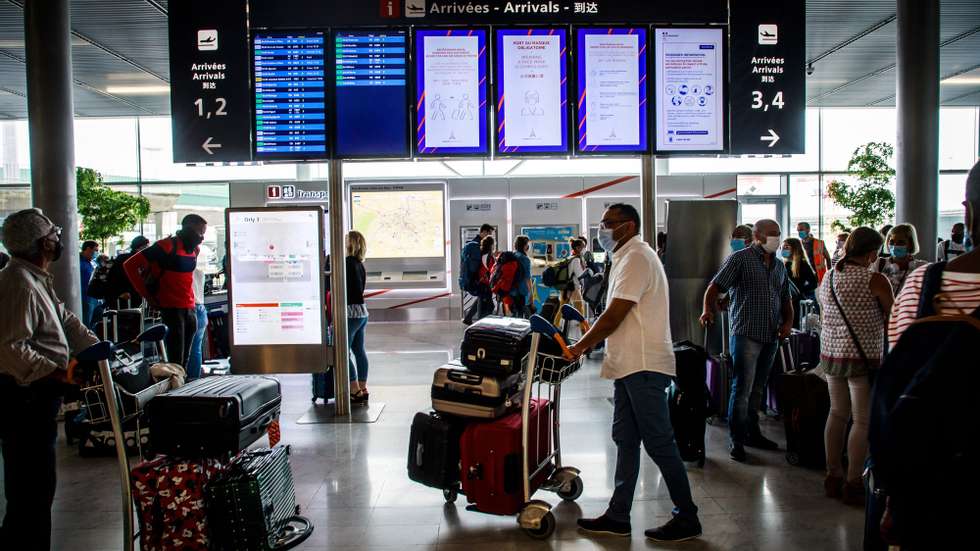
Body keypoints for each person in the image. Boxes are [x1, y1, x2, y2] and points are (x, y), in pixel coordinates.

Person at [568, 204, 701, 542]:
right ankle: (618, 515)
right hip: (628, 365)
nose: (602, 230)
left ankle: (687, 517)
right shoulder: (625, 257)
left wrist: (578, 347)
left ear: (628, 226)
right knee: (625, 440)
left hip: (643, 366)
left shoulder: (637, 257)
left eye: (608, 224)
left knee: (659, 443)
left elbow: (614, 316)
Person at [0, 208, 99, 550]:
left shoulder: (34, 278)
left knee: (39, 486)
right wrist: (58, 372)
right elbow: (10, 348)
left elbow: (65, 318)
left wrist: (96, 347)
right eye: (54, 235)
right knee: (30, 488)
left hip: (38, 395)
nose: (58, 241)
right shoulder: (18, 283)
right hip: (24, 398)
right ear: (43, 242)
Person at [701, 219, 793, 462]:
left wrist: (787, 323)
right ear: (757, 236)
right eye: (771, 234)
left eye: (778, 234)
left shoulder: (779, 266)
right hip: (745, 333)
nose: (776, 238)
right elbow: (715, 287)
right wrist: (707, 309)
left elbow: (786, 299)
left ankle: (754, 433)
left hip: (770, 335)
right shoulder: (740, 259)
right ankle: (737, 439)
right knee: (742, 388)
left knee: (758, 390)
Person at [818, 227, 893, 505]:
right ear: (872, 253)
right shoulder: (875, 279)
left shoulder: (830, 276)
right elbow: (893, 315)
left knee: (836, 413)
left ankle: (832, 475)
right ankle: (853, 481)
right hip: (863, 357)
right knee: (861, 420)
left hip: (831, 353)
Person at [124, 214, 207, 368]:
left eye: (204, 233)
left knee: (186, 358)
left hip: (190, 307)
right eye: (200, 232)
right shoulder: (166, 246)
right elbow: (130, 265)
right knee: (176, 358)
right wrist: (148, 296)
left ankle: (183, 384)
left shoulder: (194, 249)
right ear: (188, 229)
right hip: (171, 308)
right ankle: (176, 387)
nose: (202, 237)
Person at [345, 231, 370, 404]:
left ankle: (354, 389)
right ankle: (362, 387)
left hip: (349, 312)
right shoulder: (360, 264)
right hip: (361, 312)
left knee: (342, 353)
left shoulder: (346, 263)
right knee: (359, 351)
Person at [874, 224, 928, 294]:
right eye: (892, 242)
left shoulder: (921, 267)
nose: (895, 246)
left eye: (901, 242)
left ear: (911, 244)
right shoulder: (879, 263)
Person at [185, 246, 212, 380]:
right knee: (196, 349)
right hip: (201, 310)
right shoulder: (200, 272)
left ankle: (184, 379)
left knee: (185, 349)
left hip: (190, 309)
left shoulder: (183, 271)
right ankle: (193, 379)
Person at [461, 224, 495, 324]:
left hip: (475, 278)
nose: (490, 236)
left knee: (482, 299)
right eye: (489, 234)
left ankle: (469, 318)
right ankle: (481, 324)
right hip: (479, 279)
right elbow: (480, 265)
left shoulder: (472, 245)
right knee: (486, 302)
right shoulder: (477, 246)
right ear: (484, 232)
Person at [781, 237, 818, 327]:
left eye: (786, 247)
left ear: (794, 248)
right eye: (782, 247)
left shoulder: (802, 264)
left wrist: (800, 290)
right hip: (786, 301)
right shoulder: (785, 264)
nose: (783, 250)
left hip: (797, 303)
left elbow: (813, 282)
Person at [561, 238, 590, 316]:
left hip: (566, 287)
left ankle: (556, 325)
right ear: (578, 248)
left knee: (562, 309)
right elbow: (580, 275)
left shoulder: (571, 257)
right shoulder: (576, 260)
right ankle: (584, 328)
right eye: (583, 247)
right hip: (573, 287)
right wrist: (587, 272)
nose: (584, 249)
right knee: (580, 308)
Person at [473, 235, 496, 320]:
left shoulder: (482, 254)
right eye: (494, 244)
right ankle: (483, 325)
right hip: (485, 285)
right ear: (491, 245)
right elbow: (491, 271)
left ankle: (481, 323)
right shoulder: (488, 256)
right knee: (487, 307)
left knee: (484, 306)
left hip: (481, 284)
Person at [79, 240, 100, 327]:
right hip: (86, 299)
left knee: (93, 325)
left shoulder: (92, 263)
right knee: (87, 325)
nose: (96, 253)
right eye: (95, 250)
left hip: (95, 299)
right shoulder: (78, 263)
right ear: (88, 249)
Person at [512, 235, 533, 317]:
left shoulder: (513, 255)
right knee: (522, 314)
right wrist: (531, 296)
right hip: (521, 290)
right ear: (524, 246)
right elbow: (527, 279)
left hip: (511, 290)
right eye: (527, 244)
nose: (528, 246)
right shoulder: (525, 259)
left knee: (515, 313)